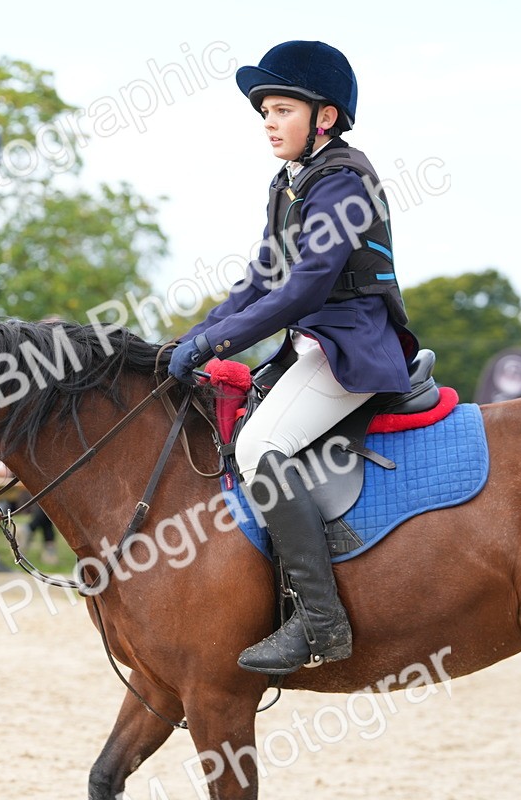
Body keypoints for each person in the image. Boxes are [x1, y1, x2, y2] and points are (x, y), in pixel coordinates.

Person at [168, 41, 418, 675]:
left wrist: (218, 344)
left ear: (324, 117)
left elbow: (304, 287)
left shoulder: (342, 181)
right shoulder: (289, 182)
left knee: (258, 449)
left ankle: (320, 622)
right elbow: (260, 279)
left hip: (353, 346)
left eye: (282, 109)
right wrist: (196, 335)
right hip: (311, 346)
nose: (270, 123)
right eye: (265, 113)